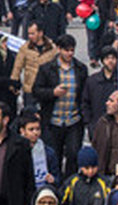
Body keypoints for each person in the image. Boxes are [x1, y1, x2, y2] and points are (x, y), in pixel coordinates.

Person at [31, 34, 88, 178]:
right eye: (66, 50)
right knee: (53, 155)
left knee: (73, 154)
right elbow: (36, 90)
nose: (70, 53)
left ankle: (70, 183)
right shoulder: (47, 69)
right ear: (58, 49)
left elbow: (84, 94)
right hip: (53, 120)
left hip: (73, 119)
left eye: (72, 50)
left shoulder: (80, 69)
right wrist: (53, 92)